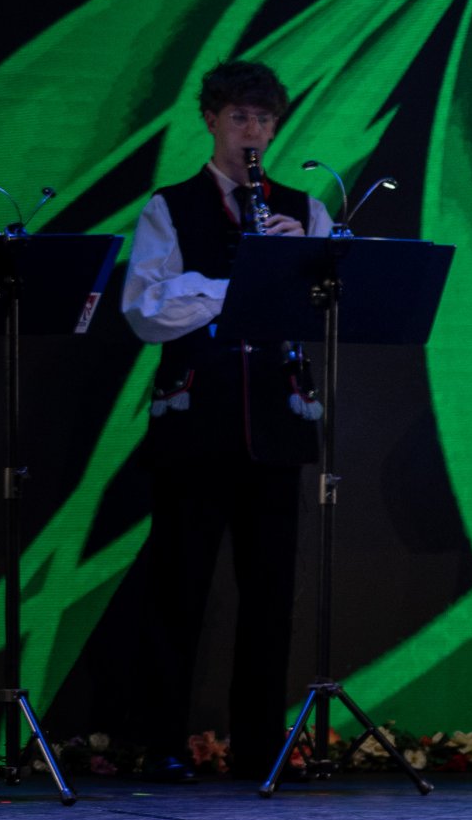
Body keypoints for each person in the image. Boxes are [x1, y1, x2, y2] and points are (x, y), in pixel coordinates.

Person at [123, 59, 330, 781]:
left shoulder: (303, 208)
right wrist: (240, 280)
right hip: (195, 419)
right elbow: (148, 309)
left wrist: (296, 260)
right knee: (177, 589)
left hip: (276, 421)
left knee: (271, 595)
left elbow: (327, 306)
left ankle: (258, 744)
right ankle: (160, 741)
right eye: (239, 117)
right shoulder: (170, 206)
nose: (253, 132)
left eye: (264, 119)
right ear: (211, 120)